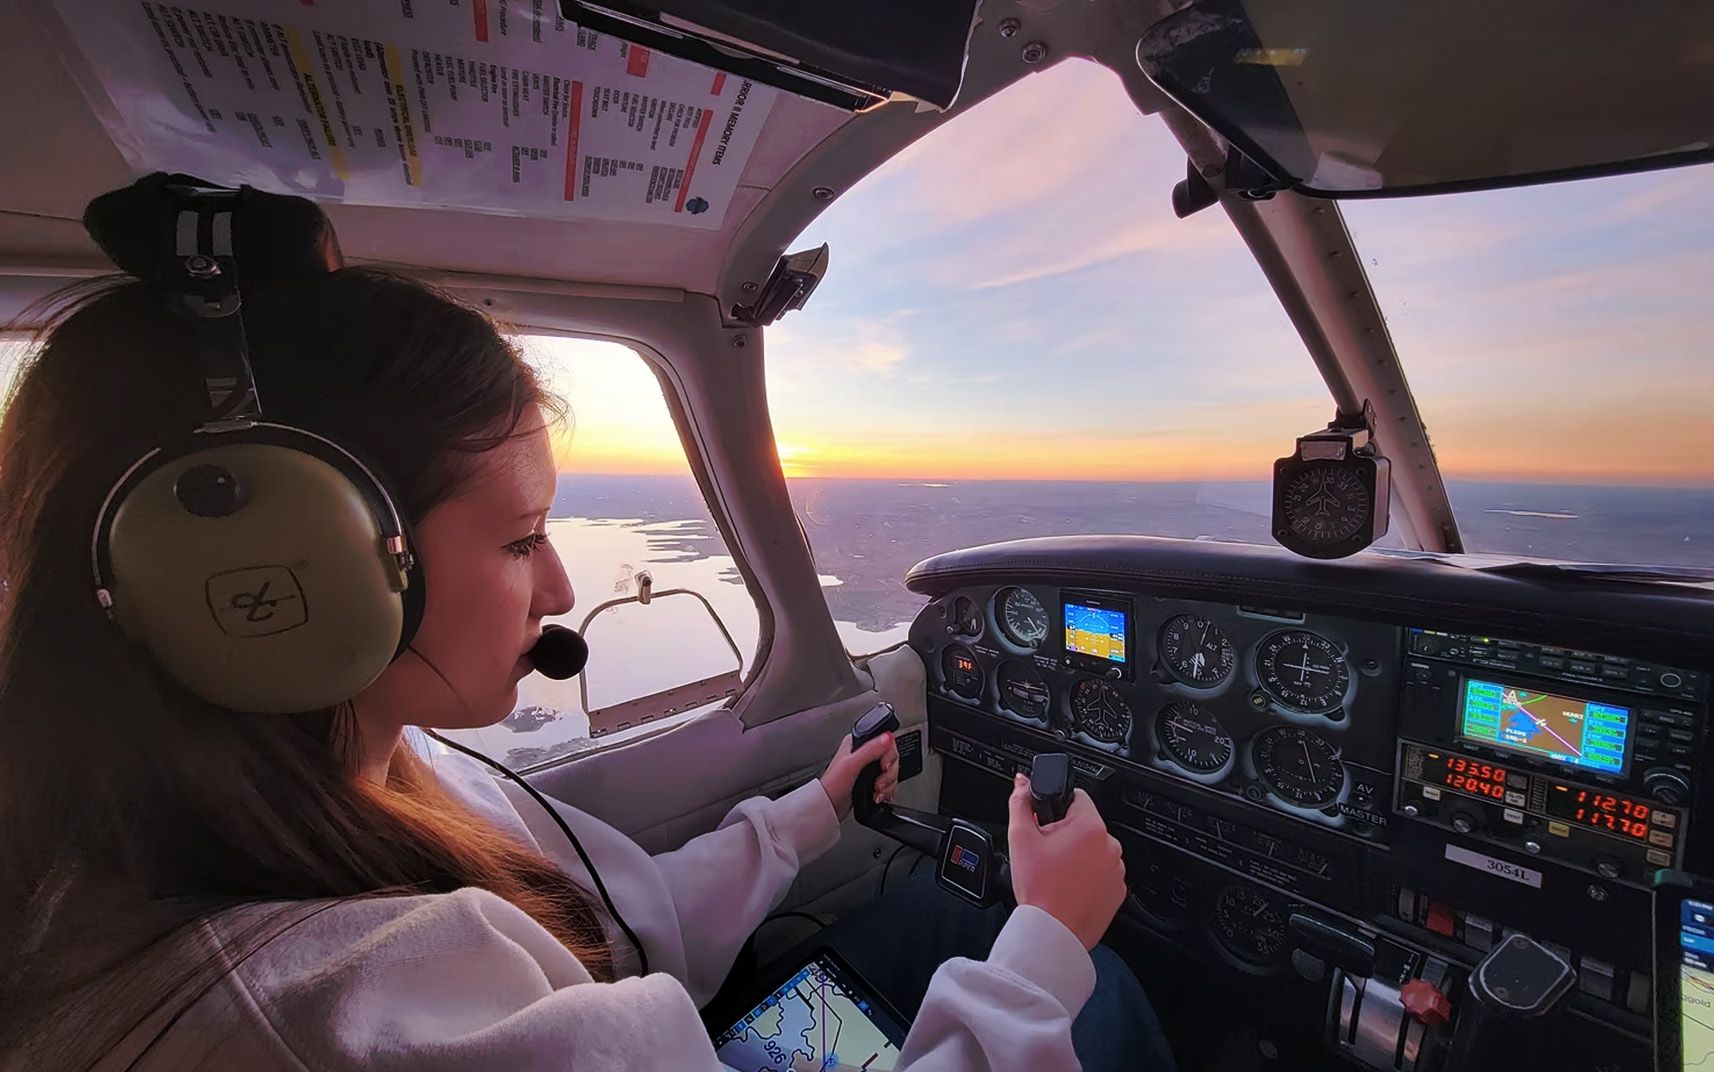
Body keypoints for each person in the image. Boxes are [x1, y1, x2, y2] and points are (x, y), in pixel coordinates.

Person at [0, 186, 1174, 1070]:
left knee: (928, 916)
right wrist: (1048, 939)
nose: (559, 588)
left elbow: (624, 925)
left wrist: (804, 816)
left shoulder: (362, 769)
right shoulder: (339, 1015)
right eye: (519, 542)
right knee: (1102, 989)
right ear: (297, 574)